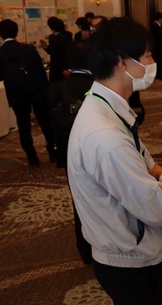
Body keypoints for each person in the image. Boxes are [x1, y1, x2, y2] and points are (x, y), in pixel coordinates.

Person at [67, 17, 162, 304]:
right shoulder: (106, 136)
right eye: (148, 56)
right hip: (130, 262)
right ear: (123, 62)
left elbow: (145, 160)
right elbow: (161, 209)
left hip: (129, 248)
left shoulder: (105, 104)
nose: (152, 63)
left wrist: (155, 172)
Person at [47, 41, 94, 264]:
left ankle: (85, 248)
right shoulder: (101, 85)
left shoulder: (57, 87)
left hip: (69, 152)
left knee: (79, 199)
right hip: (97, 148)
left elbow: (50, 121)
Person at [0, 19, 56, 166]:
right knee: (45, 122)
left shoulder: (1, 53)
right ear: (16, 32)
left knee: (23, 125)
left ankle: (32, 158)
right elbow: (40, 71)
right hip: (37, 90)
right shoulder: (28, 49)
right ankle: (52, 151)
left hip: (16, 93)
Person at [40, 17, 73, 83]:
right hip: (68, 68)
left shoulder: (53, 39)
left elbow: (54, 55)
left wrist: (63, 70)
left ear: (52, 29)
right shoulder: (68, 36)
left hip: (57, 71)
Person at [150, 11, 162, 81]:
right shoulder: (155, 26)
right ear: (159, 18)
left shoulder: (160, 25)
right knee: (161, 61)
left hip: (161, 46)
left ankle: (160, 73)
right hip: (158, 47)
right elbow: (157, 37)